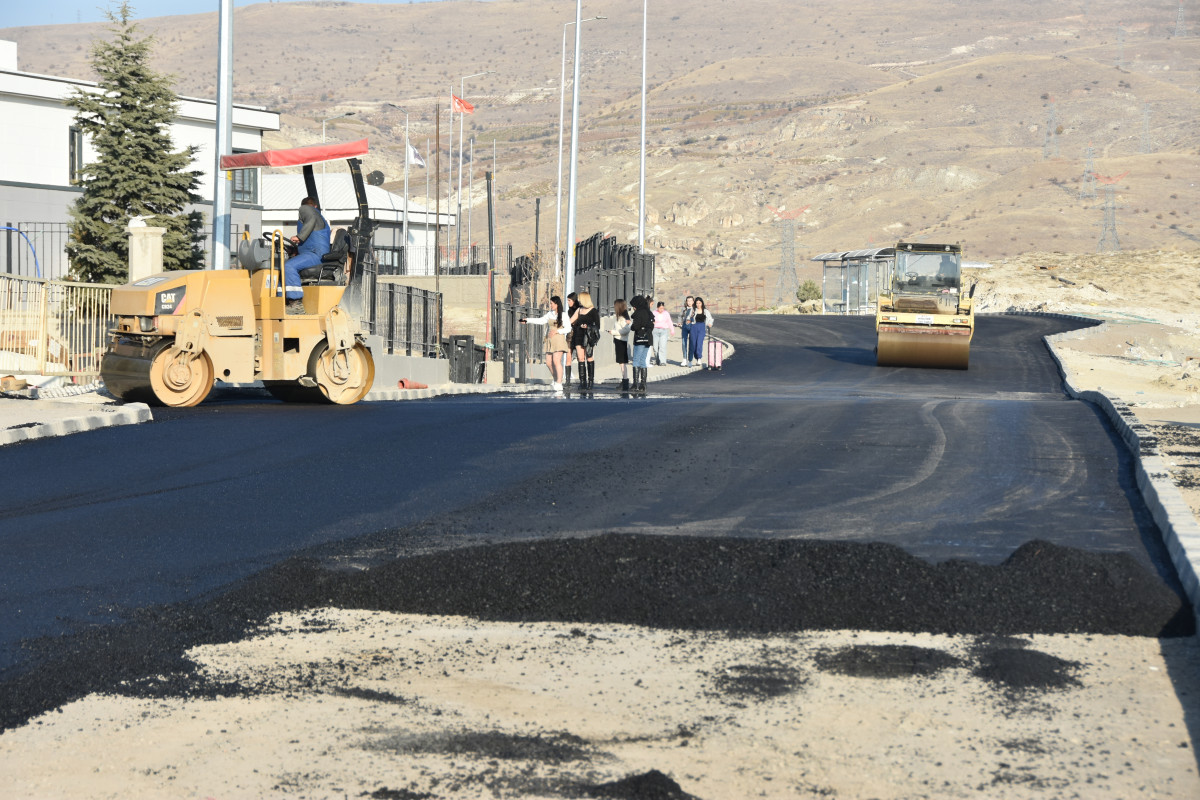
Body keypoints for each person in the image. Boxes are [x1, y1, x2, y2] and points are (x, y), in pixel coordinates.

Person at [284, 196, 331, 315]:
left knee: (288, 267)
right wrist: (294, 249)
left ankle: (295, 303)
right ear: (315, 206)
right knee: (280, 268)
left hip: (315, 254)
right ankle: (281, 300)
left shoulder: (306, 209)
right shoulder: (319, 219)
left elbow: (310, 219)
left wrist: (299, 237)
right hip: (312, 253)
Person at [520, 295, 571, 392]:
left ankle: (559, 383)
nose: (550, 305)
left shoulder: (563, 315)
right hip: (549, 340)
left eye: (551, 303)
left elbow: (568, 328)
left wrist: (557, 331)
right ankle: (556, 379)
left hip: (558, 340)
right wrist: (527, 320)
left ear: (556, 304)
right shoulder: (550, 314)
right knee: (548, 362)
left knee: (556, 361)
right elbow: (541, 320)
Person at [570, 291, 600, 390]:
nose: (578, 300)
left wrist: (588, 326)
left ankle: (590, 381)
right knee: (580, 358)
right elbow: (571, 320)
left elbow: (597, 325)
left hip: (589, 336)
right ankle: (582, 382)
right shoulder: (579, 310)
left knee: (589, 357)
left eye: (580, 298)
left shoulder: (593, 311)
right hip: (579, 335)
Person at [629, 295, 654, 393]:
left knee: (636, 360)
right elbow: (652, 325)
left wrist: (632, 326)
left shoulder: (639, 313)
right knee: (643, 360)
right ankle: (643, 384)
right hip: (648, 338)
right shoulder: (649, 312)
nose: (633, 308)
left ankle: (635, 384)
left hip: (639, 338)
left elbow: (635, 326)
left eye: (634, 306)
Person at [611, 298, 632, 391]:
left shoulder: (622, 318)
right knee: (621, 362)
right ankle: (624, 380)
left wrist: (613, 332)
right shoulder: (621, 317)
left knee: (622, 362)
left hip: (620, 341)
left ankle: (625, 382)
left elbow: (625, 330)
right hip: (619, 341)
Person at [690, 296, 715, 367]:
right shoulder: (693, 310)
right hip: (693, 327)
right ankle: (696, 356)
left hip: (701, 327)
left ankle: (699, 358)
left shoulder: (705, 311)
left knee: (699, 343)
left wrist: (710, 324)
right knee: (693, 344)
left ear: (702, 303)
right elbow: (688, 318)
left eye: (699, 303)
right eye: (697, 303)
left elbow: (710, 319)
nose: (698, 304)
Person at [564, 292, 579, 387]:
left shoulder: (579, 309)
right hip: (570, 334)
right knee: (568, 357)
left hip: (578, 334)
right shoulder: (569, 311)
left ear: (574, 300)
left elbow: (571, 321)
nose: (568, 302)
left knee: (581, 357)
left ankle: (583, 380)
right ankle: (567, 380)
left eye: (569, 300)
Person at [651, 301, 672, 367]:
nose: (661, 310)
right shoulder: (654, 313)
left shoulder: (666, 313)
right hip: (655, 331)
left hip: (663, 331)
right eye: (660, 308)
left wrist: (672, 330)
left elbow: (669, 322)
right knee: (655, 347)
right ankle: (657, 360)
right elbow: (650, 321)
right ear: (657, 308)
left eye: (662, 308)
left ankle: (663, 361)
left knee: (662, 347)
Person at [680, 295, 696, 365]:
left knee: (692, 343)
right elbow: (680, 316)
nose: (689, 302)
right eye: (688, 301)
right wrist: (679, 322)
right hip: (684, 327)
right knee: (684, 343)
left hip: (692, 327)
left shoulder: (695, 310)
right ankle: (684, 359)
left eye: (691, 301)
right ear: (686, 302)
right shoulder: (684, 309)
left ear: (693, 301)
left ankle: (690, 359)